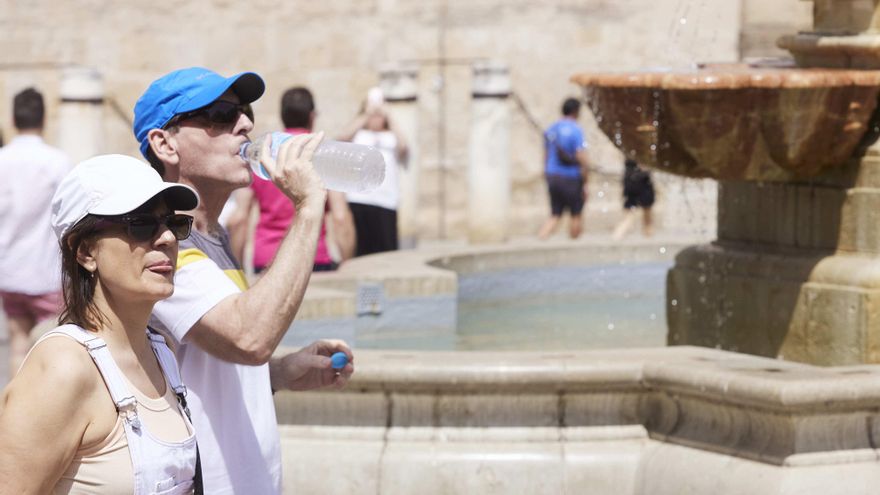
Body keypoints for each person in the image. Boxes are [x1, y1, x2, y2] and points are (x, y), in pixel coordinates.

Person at [134, 67, 354, 494]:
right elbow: (249, 337)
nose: (246, 124)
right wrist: (309, 208)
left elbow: (204, 365)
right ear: (165, 143)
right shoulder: (163, 247)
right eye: (220, 114)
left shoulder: (212, 235)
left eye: (246, 111)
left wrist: (280, 374)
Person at [0, 154, 200, 493]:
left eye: (173, 223)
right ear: (85, 253)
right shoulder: (65, 368)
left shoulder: (161, 351)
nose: (167, 239)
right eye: (141, 224)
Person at [227, 86, 355, 273]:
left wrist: (237, 272)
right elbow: (341, 216)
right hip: (312, 257)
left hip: (267, 259)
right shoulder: (322, 156)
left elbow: (239, 219)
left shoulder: (262, 156)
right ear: (312, 116)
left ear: (282, 116)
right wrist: (347, 264)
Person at [0, 87, 71, 378]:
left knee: (18, 344)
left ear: (13, 119)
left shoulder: (3, 158)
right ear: (44, 119)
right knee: (53, 350)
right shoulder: (57, 161)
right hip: (46, 272)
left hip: (10, 270)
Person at [338, 95, 408, 256]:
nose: (376, 118)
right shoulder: (358, 134)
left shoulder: (392, 137)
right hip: (359, 199)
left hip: (386, 201)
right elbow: (342, 138)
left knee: (388, 253)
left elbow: (404, 147)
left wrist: (389, 114)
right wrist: (366, 114)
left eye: (379, 114)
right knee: (361, 252)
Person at [538, 97, 590, 240]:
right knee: (576, 214)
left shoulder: (551, 129)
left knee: (555, 214)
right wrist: (586, 181)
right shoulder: (576, 130)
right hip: (571, 177)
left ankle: (542, 238)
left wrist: (546, 173)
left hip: (553, 175)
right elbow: (581, 157)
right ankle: (575, 246)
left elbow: (546, 155)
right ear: (576, 111)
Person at [612, 158, 656, 240]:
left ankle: (619, 234)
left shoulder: (629, 154)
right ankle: (648, 235)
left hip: (631, 180)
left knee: (631, 214)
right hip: (641, 182)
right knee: (646, 213)